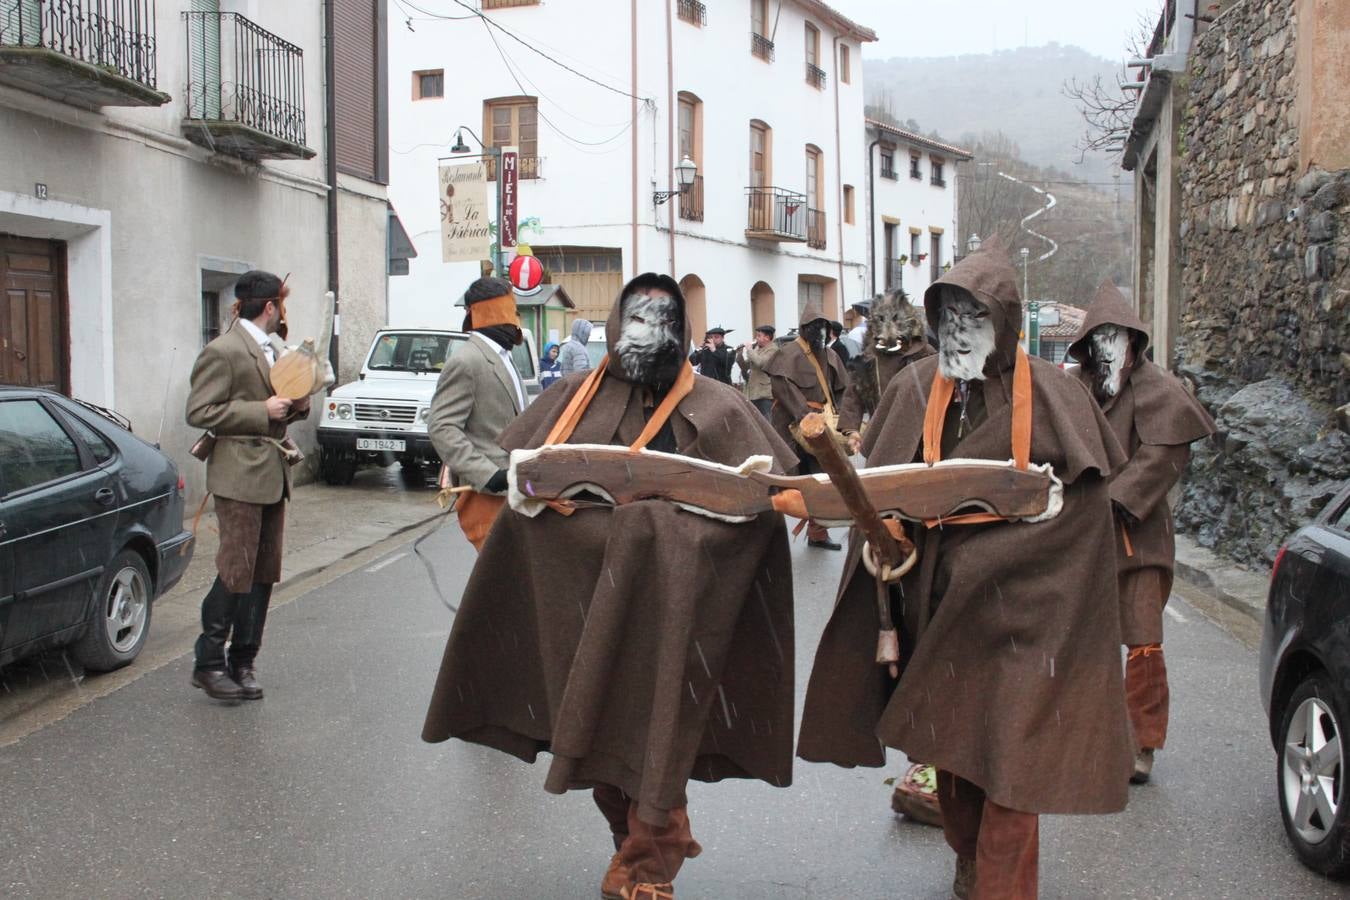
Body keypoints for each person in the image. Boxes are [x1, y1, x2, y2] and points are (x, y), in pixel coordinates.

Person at [422, 273, 797, 900]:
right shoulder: (572, 397)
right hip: (589, 609)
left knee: (657, 728)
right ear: (617, 328)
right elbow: (529, 494)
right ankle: (635, 841)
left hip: (677, 614)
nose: (648, 336)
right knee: (597, 738)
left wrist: (667, 537)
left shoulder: (718, 405)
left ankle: (652, 855)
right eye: (637, 323)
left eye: (662, 323)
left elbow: (762, 508)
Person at [798, 242, 1134, 900]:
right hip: (940, 612)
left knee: (1013, 766)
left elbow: (1086, 520)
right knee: (955, 757)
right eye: (948, 314)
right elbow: (885, 494)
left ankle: (1002, 886)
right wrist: (888, 535)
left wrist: (1000, 561)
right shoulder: (915, 388)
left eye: (973, 314)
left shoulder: (1059, 397)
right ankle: (970, 856)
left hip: (1027, 617)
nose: (959, 329)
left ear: (1003, 321)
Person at [1067, 279, 1216, 785]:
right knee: (1086, 642)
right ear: (1088, 344)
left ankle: (1141, 742)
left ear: (1133, 341)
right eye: (1099, 337)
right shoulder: (1077, 387)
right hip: (1084, 541)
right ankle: (1092, 736)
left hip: (1140, 539)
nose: (1108, 347)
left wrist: (1118, 498)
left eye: (1116, 336)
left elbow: (1166, 453)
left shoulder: (1159, 389)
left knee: (1144, 643)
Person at [185, 270, 310, 702]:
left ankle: (243, 660)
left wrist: (298, 401)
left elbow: (284, 407)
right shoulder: (222, 351)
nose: (282, 315)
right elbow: (200, 410)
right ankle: (208, 663)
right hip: (238, 473)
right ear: (271, 307)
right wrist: (262, 410)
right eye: (282, 306)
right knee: (235, 570)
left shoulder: (276, 349)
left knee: (263, 575)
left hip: (273, 472)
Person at [428, 276, 527, 553]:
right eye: (510, 308)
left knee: (514, 584)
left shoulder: (504, 357)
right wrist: (488, 474)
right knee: (501, 582)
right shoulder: (466, 361)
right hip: (487, 495)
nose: (515, 318)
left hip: (515, 492)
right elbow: (442, 427)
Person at [763, 304, 849, 550]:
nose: (819, 331)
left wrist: (840, 420)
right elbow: (784, 389)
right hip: (790, 426)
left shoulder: (830, 356)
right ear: (804, 328)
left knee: (821, 480)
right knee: (784, 481)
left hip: (819, 427)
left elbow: (842, 389)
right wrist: (805, 416)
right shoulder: (787, 354)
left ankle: (818, 534)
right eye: (814, 326)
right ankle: (768, 536)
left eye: (823, 326)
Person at [838, 288, 936, 455]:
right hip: (882, 436)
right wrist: (852, 430)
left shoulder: (925, 353)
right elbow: (853, 396)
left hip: (920, 437)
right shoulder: (869, 358)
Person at [735, 324, 778, 418]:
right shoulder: (757, 349)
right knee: (755, 420)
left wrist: (750, 350)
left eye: (759, 335)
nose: (756, 338)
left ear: (767, 337)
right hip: (753, 392)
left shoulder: (773, 350)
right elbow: (745, 366)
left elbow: (760, 363)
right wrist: (739, 355)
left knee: (766, 421)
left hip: (764, 393)